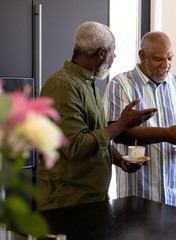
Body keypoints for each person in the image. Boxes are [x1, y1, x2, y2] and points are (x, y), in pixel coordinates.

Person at [37, 22, 157, 211]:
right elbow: (76, 146)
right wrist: (122, 124)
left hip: (91, 199)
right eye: (113, 51)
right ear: (101, 54)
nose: (114, 56)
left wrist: (119, 159)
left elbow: (95, 135)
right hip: (67, 202)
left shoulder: (86, 83)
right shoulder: (63, 86)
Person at [103, 31, 176, 210]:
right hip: (138, 197)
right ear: (142, 55)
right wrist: (166, 135)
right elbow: (118, 134)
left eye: (170, 58)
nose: (166, 65)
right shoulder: (120, 85)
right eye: (159, 59)